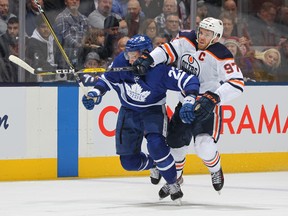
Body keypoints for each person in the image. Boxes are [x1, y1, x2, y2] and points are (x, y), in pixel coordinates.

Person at [132, 17, 244, 198]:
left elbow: (237, 83)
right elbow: (167, 50)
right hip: (186, 102)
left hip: (207, 107)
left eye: (208, 34)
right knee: (175, 146)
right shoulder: (186, 38)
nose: (202, 36)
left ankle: (215, 169)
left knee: (204, 146)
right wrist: (149, 59)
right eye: (201, 31)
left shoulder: (222, 54)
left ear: (215, 37)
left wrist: (215, 97)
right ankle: (176, 180)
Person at [81, 34, 200, 202]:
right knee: (128, 162)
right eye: (127, 54)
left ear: (145, 54)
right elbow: (107, 79)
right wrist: (94, 93)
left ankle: (173, 182)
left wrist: (189, 100)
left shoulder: (160, 70)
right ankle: (154, 164)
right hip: (128, 112)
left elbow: (190, 81)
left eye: (133, 55)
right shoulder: (122, 61)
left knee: (157, 146)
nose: (129, 59)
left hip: (152, 112)